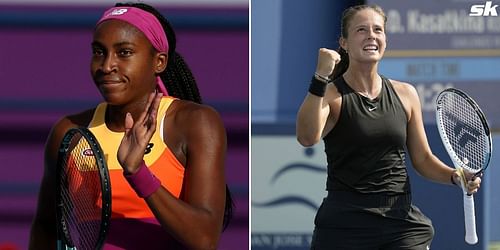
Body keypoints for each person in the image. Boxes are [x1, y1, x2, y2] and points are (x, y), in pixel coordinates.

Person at [29, 2, 232, 249]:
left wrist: (138, 173)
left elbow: (205, 239)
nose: (106, 66)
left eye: (124, 52)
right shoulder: (68, 131)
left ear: (159, 62)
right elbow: (45, 227)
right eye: (99, 52)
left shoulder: (196, 123)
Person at [296, 4, 481, 250]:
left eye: (377, 30)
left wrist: (455, 176)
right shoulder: (330, 94)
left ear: (385, 39)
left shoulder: (406, 94)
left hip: (400, 223)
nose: (371, 35)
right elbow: (307, 137)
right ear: (344, 42)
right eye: (361, 30)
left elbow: (423, 158)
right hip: (344, 224)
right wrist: (320, 77)